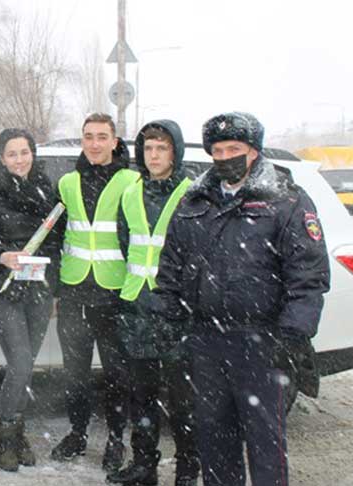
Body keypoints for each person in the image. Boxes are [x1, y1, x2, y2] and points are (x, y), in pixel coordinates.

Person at [155, 112, 330, 486]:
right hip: (205, 341)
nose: (225, 157)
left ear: (254, 151)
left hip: (262, 341)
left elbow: (308, 276)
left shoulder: (285, 201)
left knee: (265, 443)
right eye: (217, 150)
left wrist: (293, 336)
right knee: (214, 439)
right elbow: (171, 264)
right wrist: (169, 317)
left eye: (234, 148)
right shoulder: (193, 201)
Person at [0, 128, 61, 472]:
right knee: (20, 362)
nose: (20, 159)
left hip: (38, 290)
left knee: (26, 366)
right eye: (12, 153)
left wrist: (55, 290)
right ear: (1, 158)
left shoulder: (48, 193)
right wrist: (0, 256)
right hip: (4, 290)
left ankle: (16, 435)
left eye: (25, 152)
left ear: (32, 154)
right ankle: (5, 438)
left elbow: (56, 244)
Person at [107, 121, 199, 486]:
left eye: (162, 147)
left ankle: (187, 469)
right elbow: (125, 239)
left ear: (175, 151)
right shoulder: (131, 192)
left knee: (183, 401)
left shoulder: (192, 194)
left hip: (177, 310)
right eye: (148, 148)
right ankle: (145, 465)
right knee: (140, 396)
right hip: (137, 306)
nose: (155, 155)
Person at [51, 112, 139, 472]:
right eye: (88, 136)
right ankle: (77, 432)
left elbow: (137, 237)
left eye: (102, 137)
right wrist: (56, 288)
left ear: (115, 142)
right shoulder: (68, 183)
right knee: (75, 372)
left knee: (117, 374)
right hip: (73, 290)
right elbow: (58, 238)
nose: (95, 144)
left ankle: (117, 440)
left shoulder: (131, 181)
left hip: (114, 292)